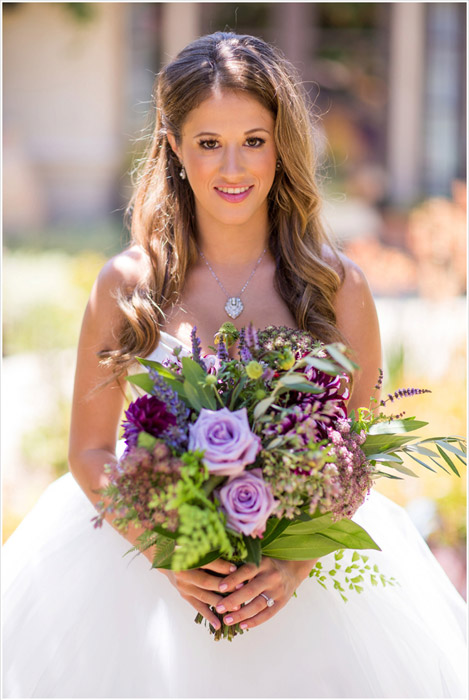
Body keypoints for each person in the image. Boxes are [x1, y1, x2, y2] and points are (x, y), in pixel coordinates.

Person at [2, 32, 466, 698]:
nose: (233, 169)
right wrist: (169, 552)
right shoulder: (126, 284)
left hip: (303, 591)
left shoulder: (338, 287)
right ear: (172, 144)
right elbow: (91, 449)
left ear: (281, 144)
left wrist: (290, 565)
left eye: (253, 140)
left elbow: (354, 457)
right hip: (139, 574)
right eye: (208, 143)